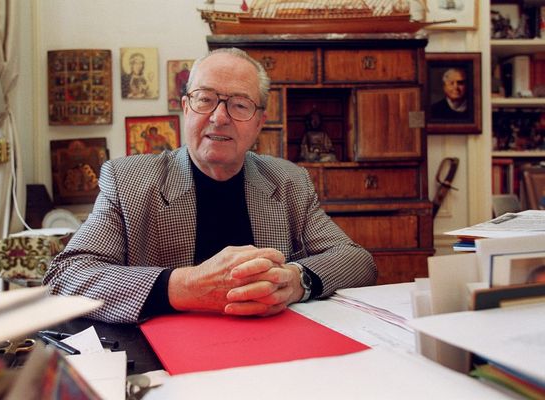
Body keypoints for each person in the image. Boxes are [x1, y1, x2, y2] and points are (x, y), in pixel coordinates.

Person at [44, 47, 377, 324]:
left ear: (259, 122)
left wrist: (294, 280)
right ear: (186, 107)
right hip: (165, 359)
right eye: (206, 100)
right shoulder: (128, 180)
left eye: (240, 105)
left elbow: (356, 260)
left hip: (272, 357)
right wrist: (186, 286)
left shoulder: (289, 181)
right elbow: (66, 275)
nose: (219, 117)